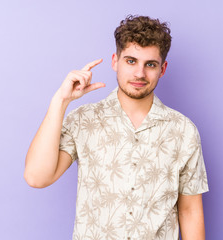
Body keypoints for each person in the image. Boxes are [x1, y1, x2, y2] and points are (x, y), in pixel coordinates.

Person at [24, 15, 209, 240]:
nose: (140, 73)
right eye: (131, 61)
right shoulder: (84, 120)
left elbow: (190, 211)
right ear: (115, 61)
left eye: (150, 64)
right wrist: (60, 101)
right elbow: (36, 177)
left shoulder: (183, 131)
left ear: (163, 69)